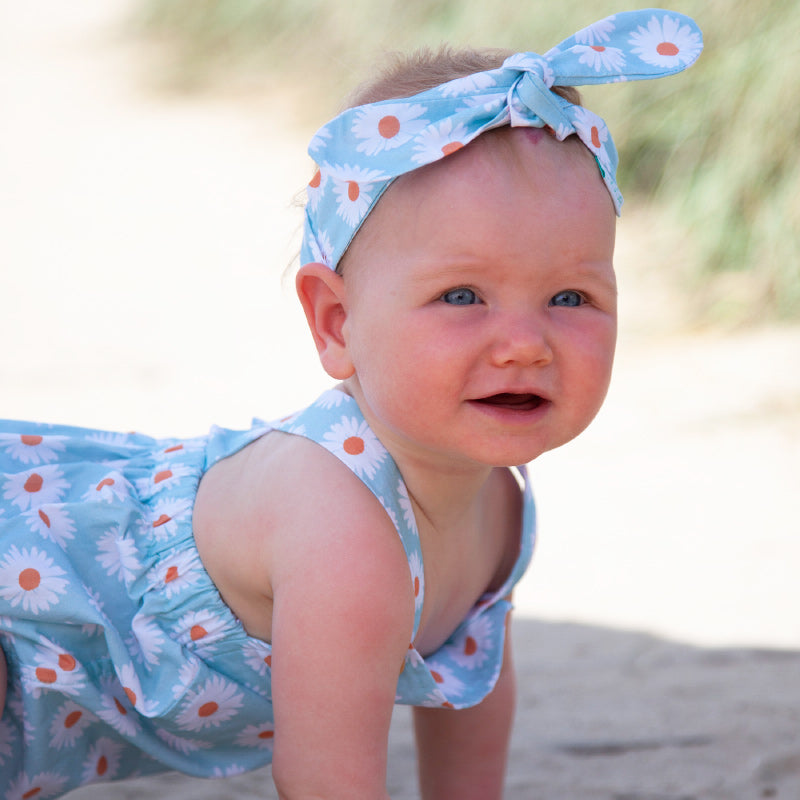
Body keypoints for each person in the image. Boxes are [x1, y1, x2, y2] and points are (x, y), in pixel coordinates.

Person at [0, 9, 702, 799]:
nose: (524, 344)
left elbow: (468, 680)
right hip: (32, 618)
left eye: (570, 296)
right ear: (337, 323)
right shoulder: (342, 530)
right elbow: (326, 781)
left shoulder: (497, 501)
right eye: (462, 295)